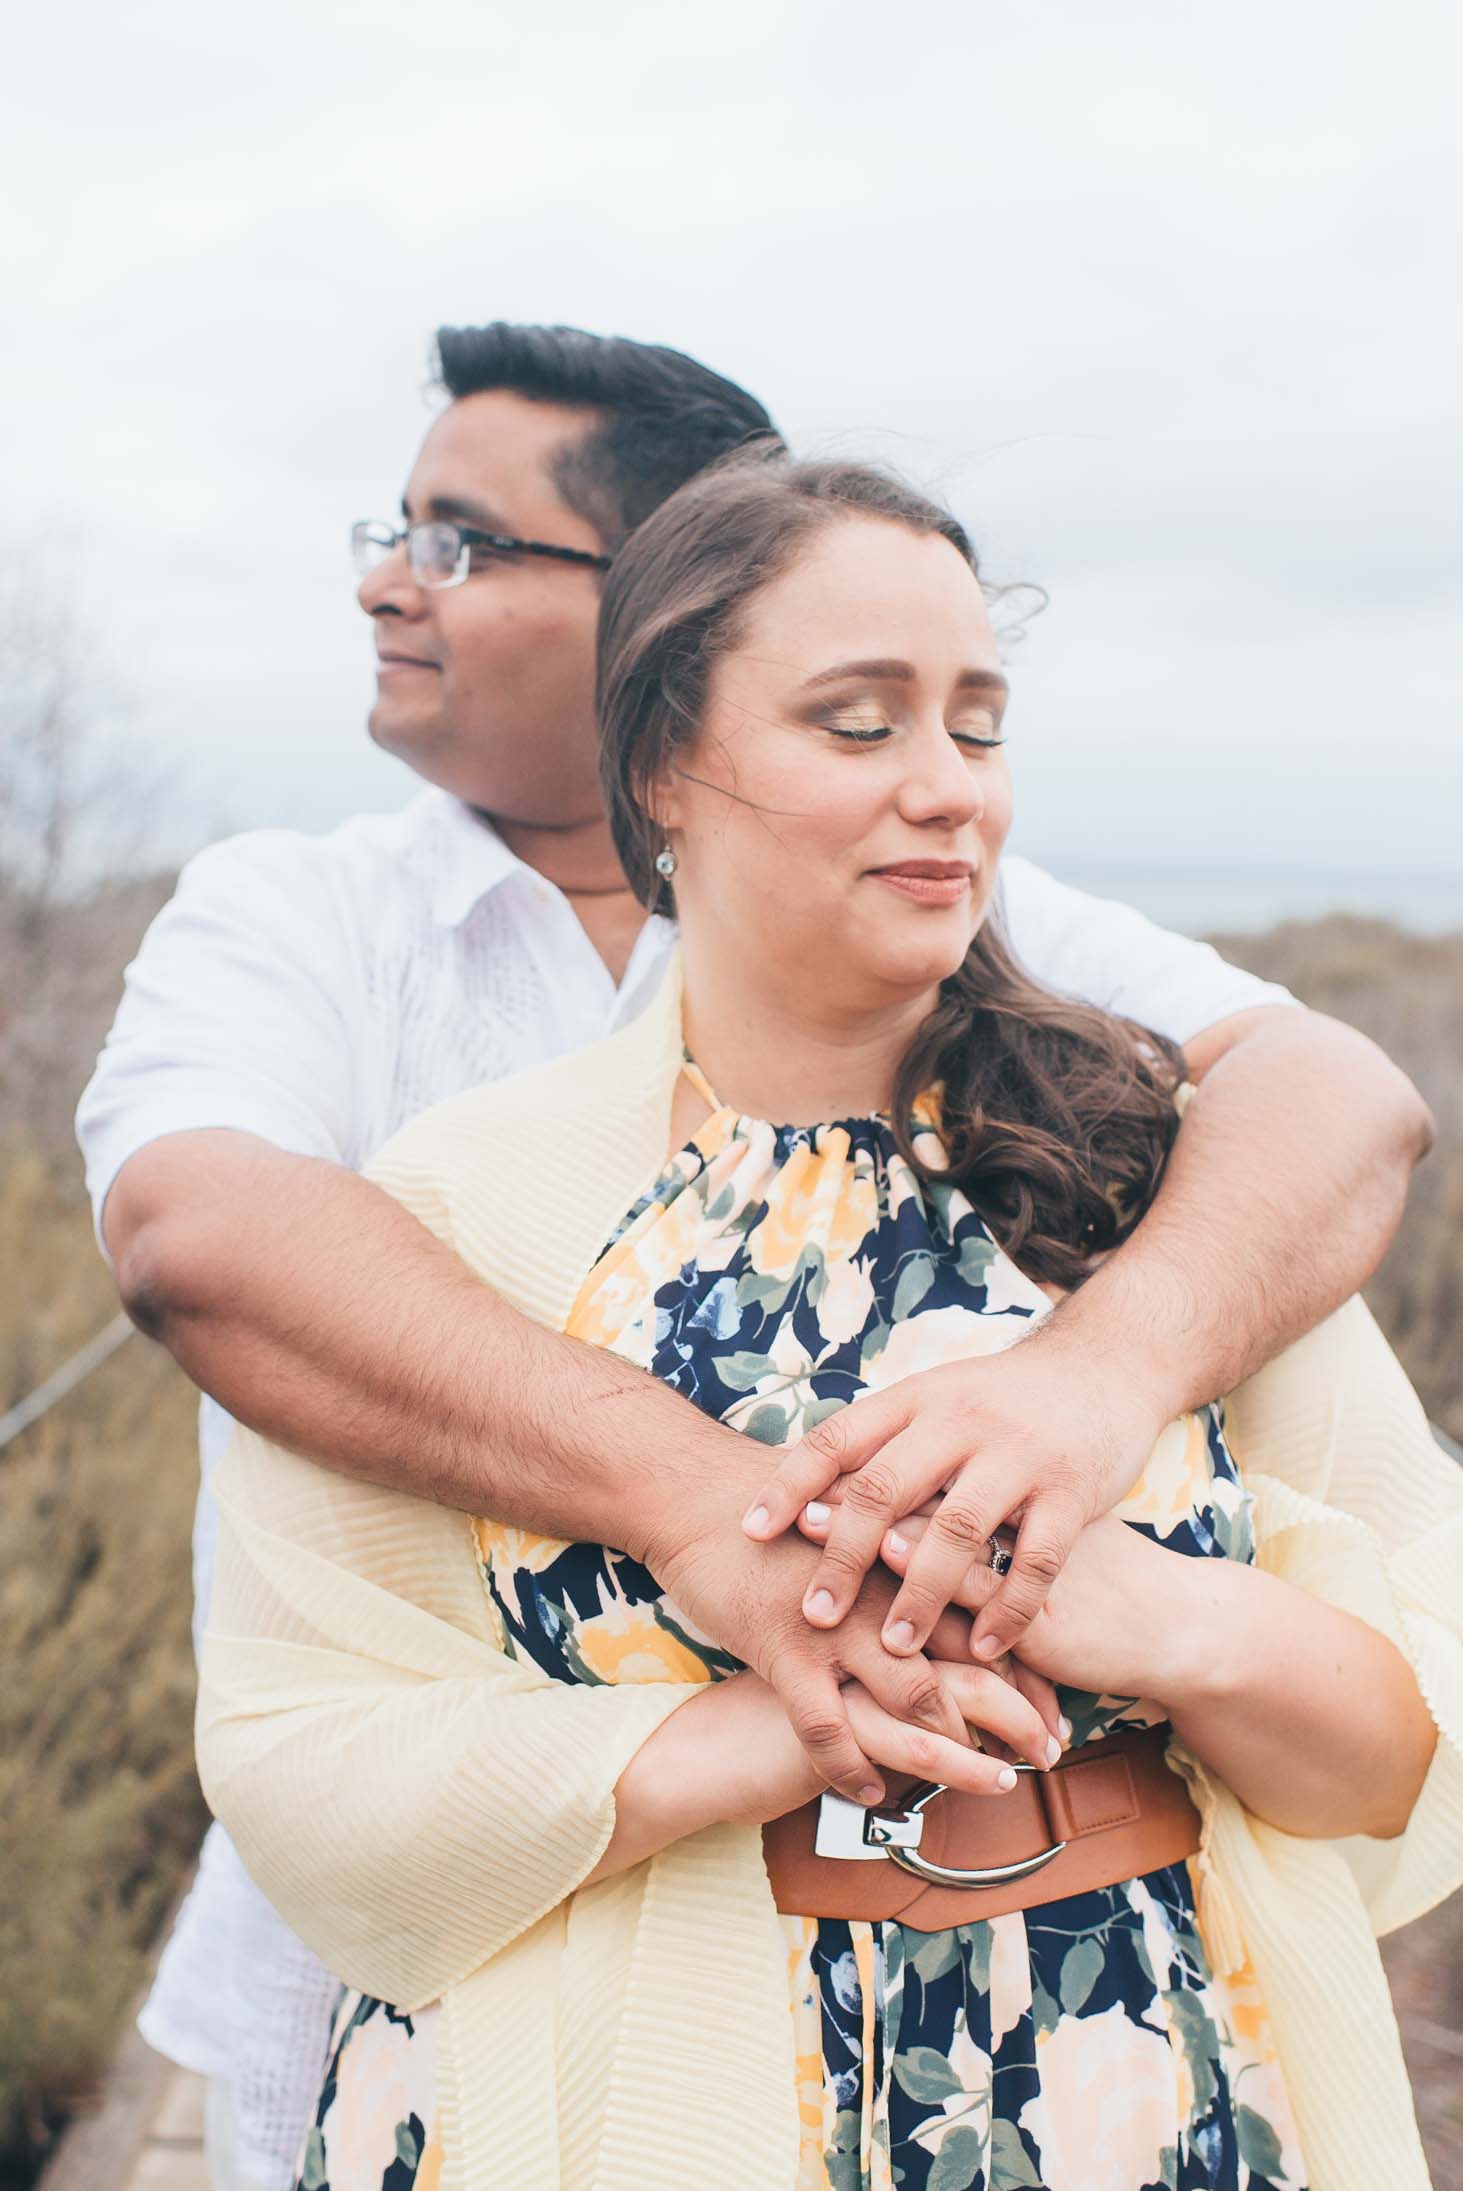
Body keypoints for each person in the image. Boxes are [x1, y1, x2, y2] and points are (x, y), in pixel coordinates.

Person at [77, 326, 1431, 2191]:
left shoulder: (1102, 1113)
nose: (947, 785)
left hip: (1154, 2090)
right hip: (554, 2062)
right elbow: (204, 1243)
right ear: (669, 745)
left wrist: (1108, 1446)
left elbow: (1340, 1109)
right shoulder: (371, 1053)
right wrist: (765, 1606)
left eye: (979, 722)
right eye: (858, 720)